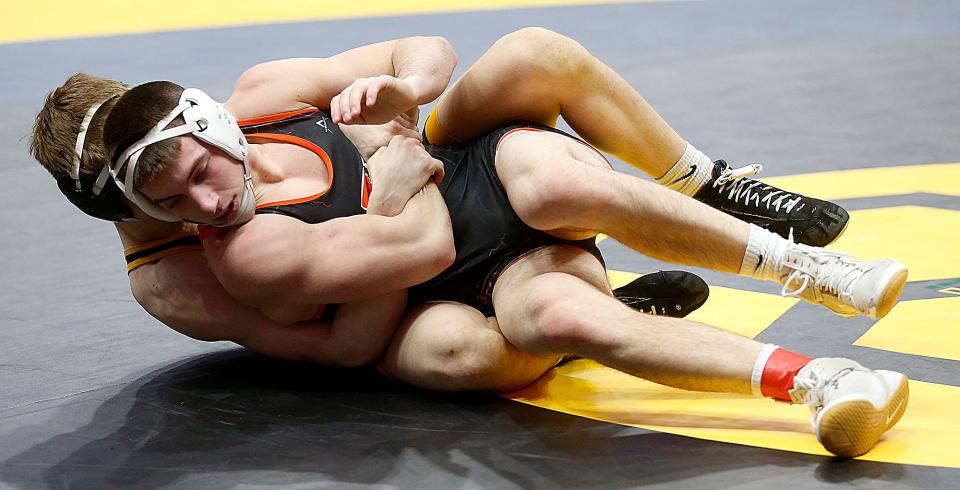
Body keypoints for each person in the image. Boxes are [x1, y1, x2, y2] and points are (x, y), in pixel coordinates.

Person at [39, 29, 907, 457]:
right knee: (478, 342)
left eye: (189, 167)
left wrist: (405, 93)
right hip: (411, 290)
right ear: (112, 197)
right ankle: (813, 380)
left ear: (196, 120)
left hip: (461, 184)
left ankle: (773, 237)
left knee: (541, 89)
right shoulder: (198, 269)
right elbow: (348, 343)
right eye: (150, 193)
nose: (197, 199)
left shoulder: (264, 100)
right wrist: (394, 158)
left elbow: (422, 57)